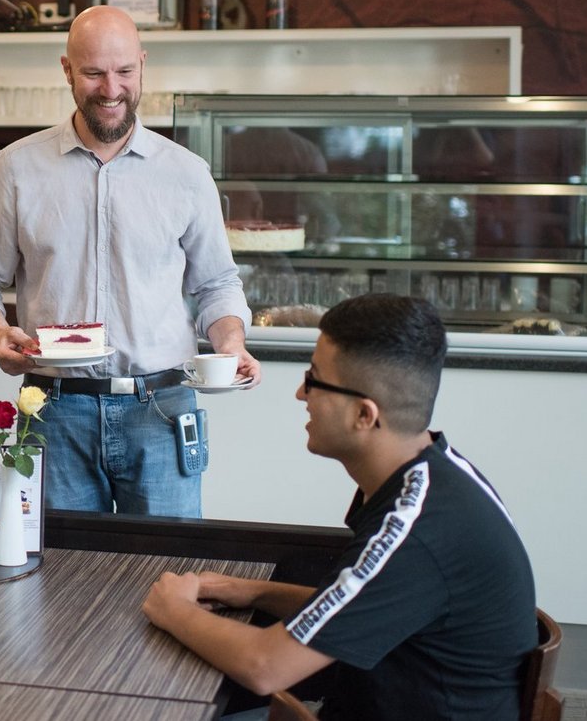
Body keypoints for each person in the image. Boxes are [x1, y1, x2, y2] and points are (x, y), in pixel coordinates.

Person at [141, 294, 536, 720]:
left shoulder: (416, 532)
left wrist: (173, 609)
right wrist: (249, 590)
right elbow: (360, 605)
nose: (299, 393)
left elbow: (264, 667)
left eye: (313, 379)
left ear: (364, 415)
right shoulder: (434, 474)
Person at [0, 5, 258, 517]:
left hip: (162, 409)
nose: (111, 89)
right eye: (93, 72)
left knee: (168, 575)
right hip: (54, 408)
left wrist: (231, 344)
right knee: (61, 578)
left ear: (142, 65)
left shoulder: (186, 172)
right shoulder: (18, 166)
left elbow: (218, 284)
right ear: (67, 70)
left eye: (124, 72)